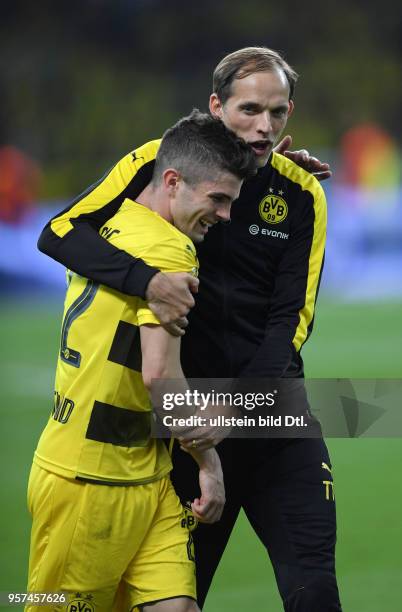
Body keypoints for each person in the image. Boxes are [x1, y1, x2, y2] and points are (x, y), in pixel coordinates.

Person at [37, 47, 342, 611]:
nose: (264, 126)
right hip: (186, 425)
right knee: (174, 598)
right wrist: (146, 280)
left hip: (272, 415)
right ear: (215, 106)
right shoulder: (160, 164)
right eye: (250, 109)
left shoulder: (301, 192)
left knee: (314, 585)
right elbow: (58, 233)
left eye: (278, 113)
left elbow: (289, 322)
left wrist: (238, 407)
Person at [27, 110, 256, 612]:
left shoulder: (109, 223)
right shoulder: (170, 252)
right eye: (217, 199)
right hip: (93, 482)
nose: (225, 216)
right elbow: (161, 378)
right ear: (172, 181)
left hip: (141, 474)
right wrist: (210, 461)